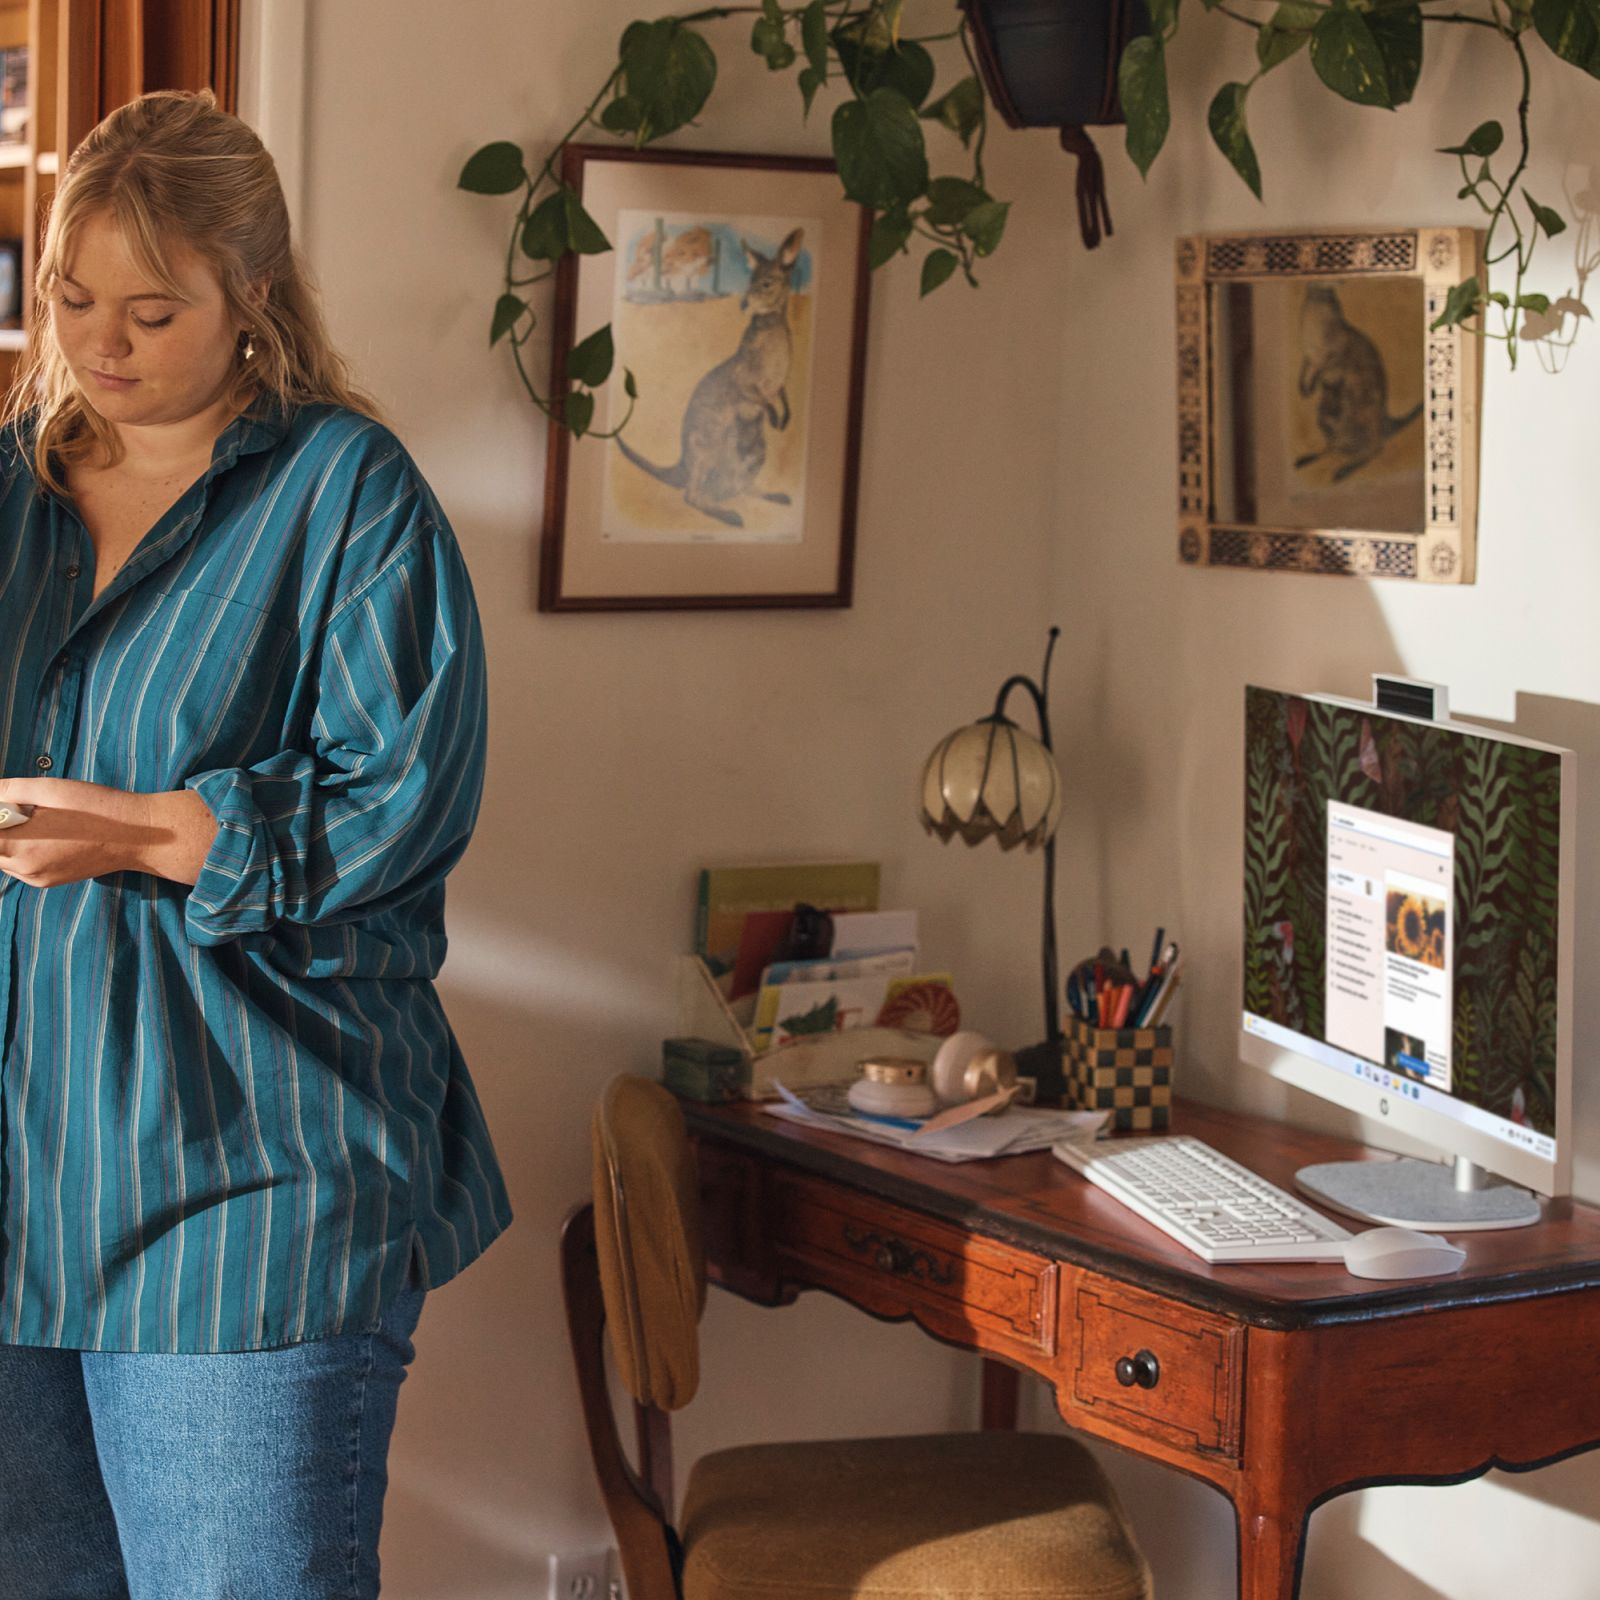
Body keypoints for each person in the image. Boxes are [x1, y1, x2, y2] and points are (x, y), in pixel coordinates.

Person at [0, 89, 512, 1598]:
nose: (102, 343)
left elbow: (409, 798)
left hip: (249, 1202)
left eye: (153, 311)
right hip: (25, 1194)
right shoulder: (11, 491)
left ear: (253, 302)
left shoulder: (346, 498)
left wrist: (163, 835)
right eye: (73, 299)